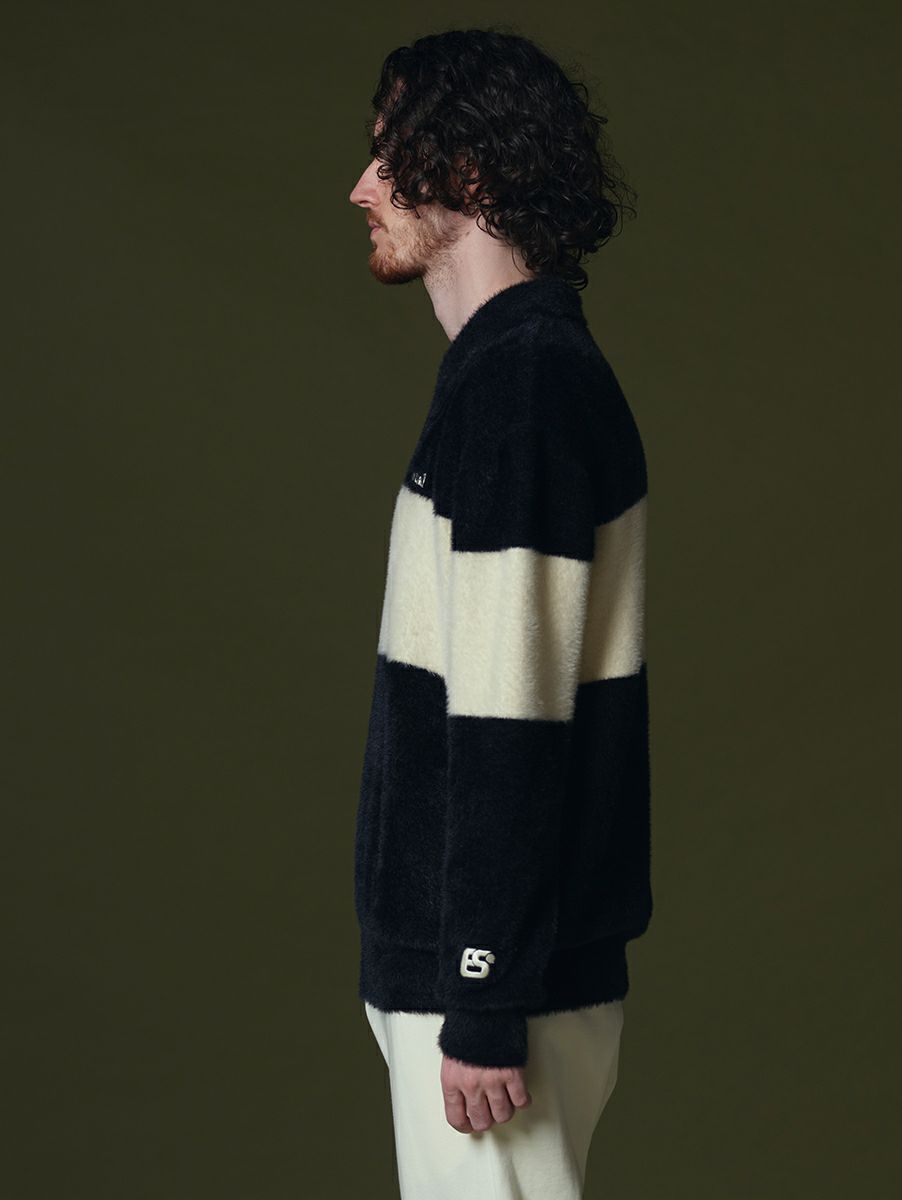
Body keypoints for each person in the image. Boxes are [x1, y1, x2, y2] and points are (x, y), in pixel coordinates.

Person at [347, 26, 652, 1199]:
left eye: (389, 155)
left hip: (491, 987)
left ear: (466, 172)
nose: (362, 187)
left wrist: (480, 990)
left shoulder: (522, 387)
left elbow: (510, 719)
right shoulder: (510, 374)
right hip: (485, 973)